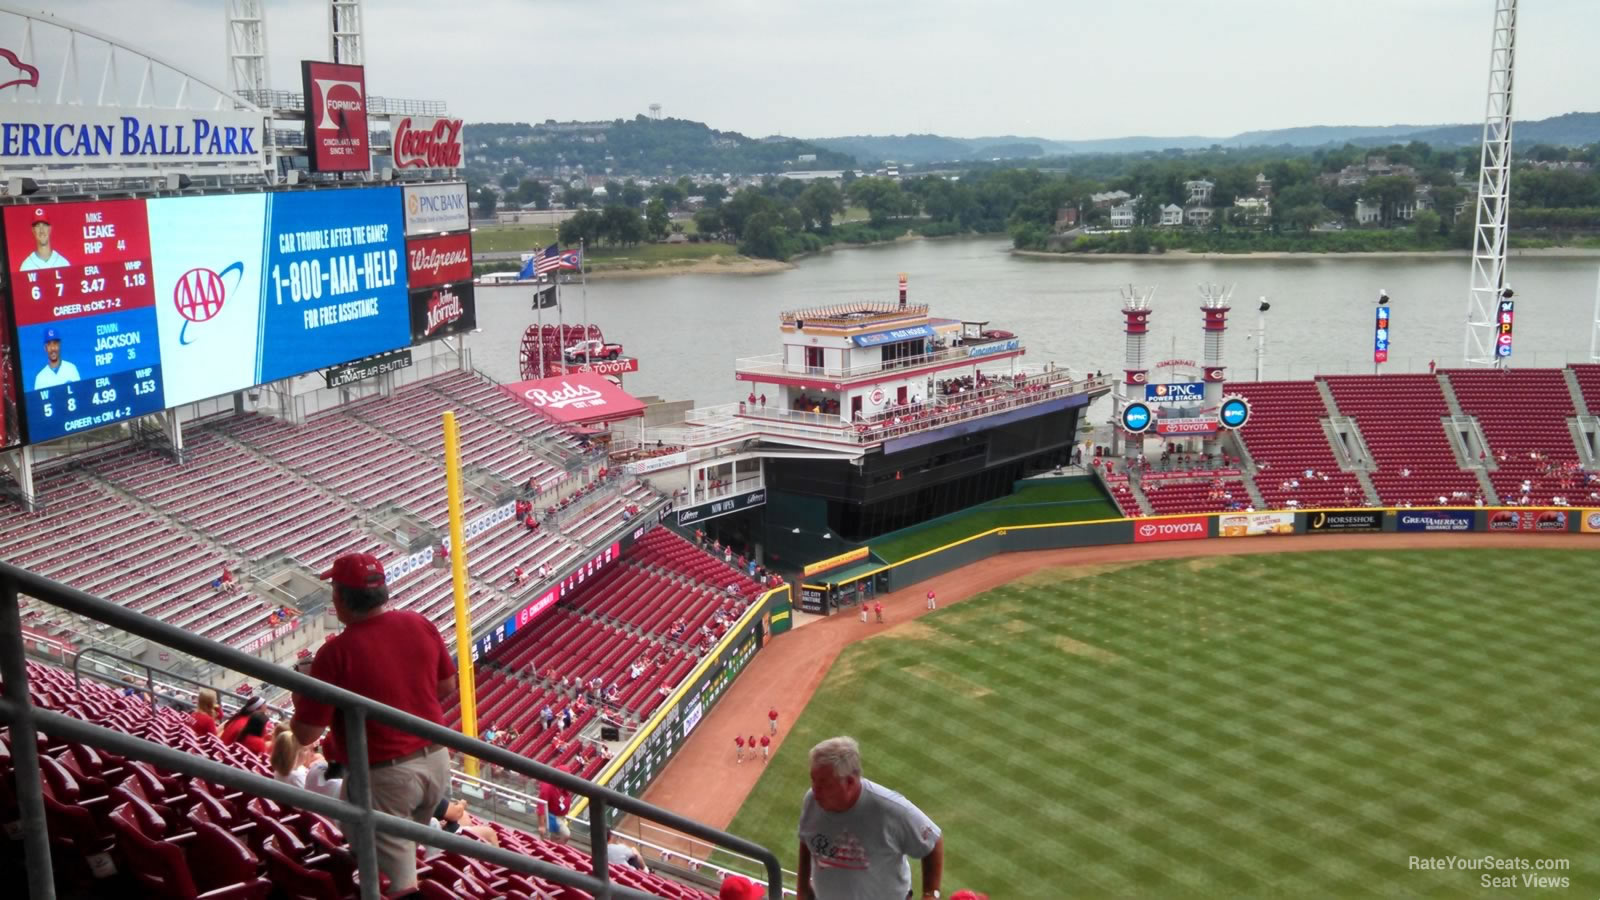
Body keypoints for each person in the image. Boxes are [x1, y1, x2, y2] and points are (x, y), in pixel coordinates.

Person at [290, 552, 455, 897]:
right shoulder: (418, 622)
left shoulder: (336, 652)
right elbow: (446, 687)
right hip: (437, 763)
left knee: (399, 885)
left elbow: (305, 734)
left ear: (338, 597)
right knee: (392, 854)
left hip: (386, 776)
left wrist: (301, 695)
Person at [797, 737, 943, 900]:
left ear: (850, 782)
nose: (816, 789)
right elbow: (806, 840)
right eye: (813, 780)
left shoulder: (889, 808)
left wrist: (931, 894)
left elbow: (933, 841)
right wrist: (802, 890)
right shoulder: (812, 800)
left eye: (825, 784)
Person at [270, 731, 344, 798]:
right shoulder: (296, 776)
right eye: (305, 750)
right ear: (293, 754)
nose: (309, 753)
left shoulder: (279, 770)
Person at [538, 775, 571, 841]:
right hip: (548, 815)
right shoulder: (548, 786)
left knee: (565, 835)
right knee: (546, 839)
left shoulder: (564, 790)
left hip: (559, 817)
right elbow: (541, 805)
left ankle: (553, 848)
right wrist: (541, 825)